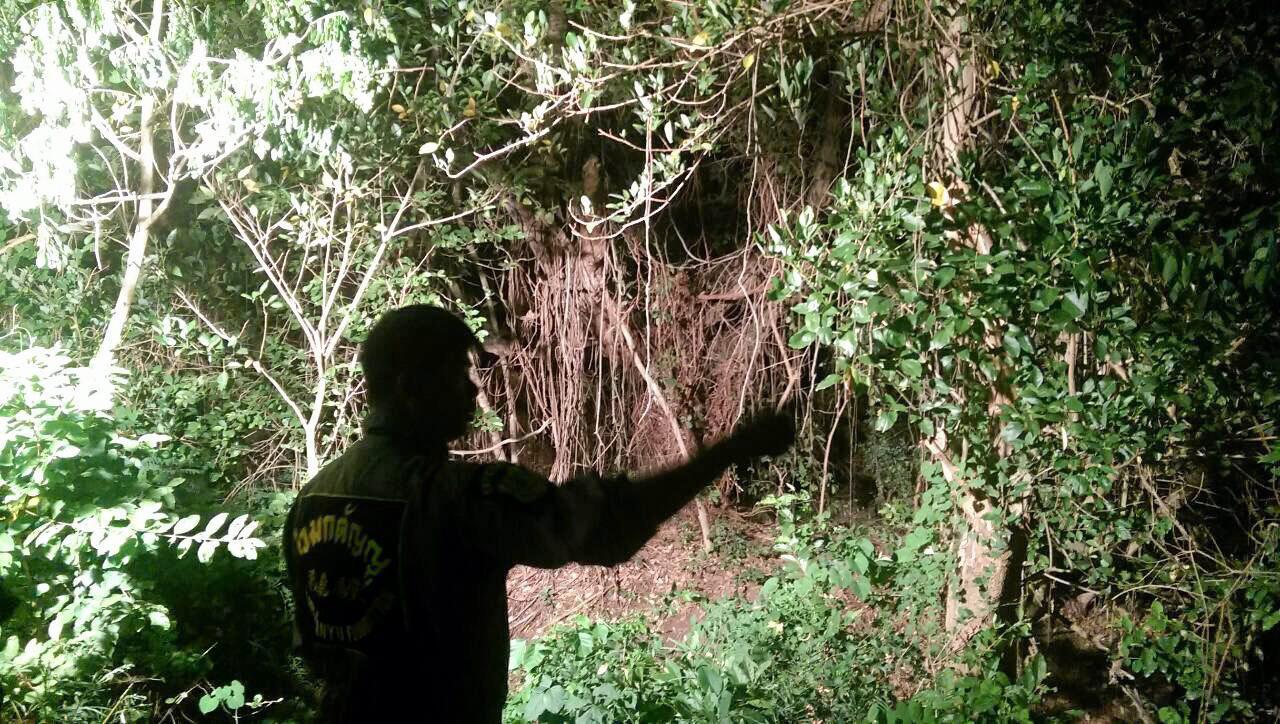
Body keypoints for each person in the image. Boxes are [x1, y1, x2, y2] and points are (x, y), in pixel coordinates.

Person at [283, 304, 794, 723]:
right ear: (410, 386)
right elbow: (605, 526)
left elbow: (313, 649)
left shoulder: (311, 500)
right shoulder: (454, 495)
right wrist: (729, 452)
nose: (472, 388)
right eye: (456, 372)